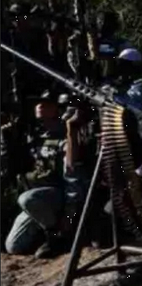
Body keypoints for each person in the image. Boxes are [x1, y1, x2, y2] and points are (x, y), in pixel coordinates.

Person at [4, 92, 90, 259]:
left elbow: (73, 177)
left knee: (27, 199)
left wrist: (69, 214)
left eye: (46, 103)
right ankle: (45, 229)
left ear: (57, 109)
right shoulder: (33, 136)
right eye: (38, 102)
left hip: (59, 197)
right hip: (39, 201)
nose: (39, 106)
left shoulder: (65, 136)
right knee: (13, 246)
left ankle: (57, 236)